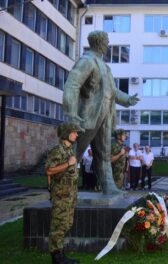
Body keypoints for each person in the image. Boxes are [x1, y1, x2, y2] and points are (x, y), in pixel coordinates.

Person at [63, 30, 140, 195]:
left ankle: (109, 187)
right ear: (99, 43)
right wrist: (71, 113)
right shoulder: (87, 61)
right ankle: (61, 187)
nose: (108, 45)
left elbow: (112, 91)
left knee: (104, 154)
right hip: (88, 116)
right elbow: (72, 85)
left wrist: (127, 99)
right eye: (106, 41)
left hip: (105, 116)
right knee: (73, 152)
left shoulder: (104, 66)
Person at [45, 123, 81, 264]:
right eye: (74, 132)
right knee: (58, 226)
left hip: (69, 195)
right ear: (66, 133)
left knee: (66, 224)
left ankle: (60, 255)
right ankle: (57, 259)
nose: (76, 134)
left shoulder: (69, 150)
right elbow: (49, 170)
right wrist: (68, 164)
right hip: (61, 196)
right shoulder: (58, 150)